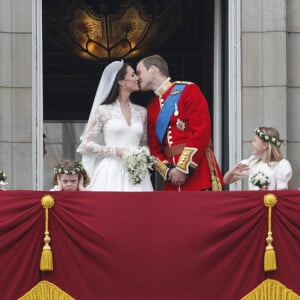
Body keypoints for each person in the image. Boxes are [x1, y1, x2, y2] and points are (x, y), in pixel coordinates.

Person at [136, 54, 223, 191]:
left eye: (139, 72)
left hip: (198, 174)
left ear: (153, 69)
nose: (137, 77)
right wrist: (168, 171)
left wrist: (183, 168)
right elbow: (154, 148)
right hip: (172, 180)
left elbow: (201, 131)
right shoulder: (152, 107)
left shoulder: (188, 90)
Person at [76, 60, 154, 191]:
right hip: (111, 171)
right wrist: (116, 151)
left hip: (137, 173)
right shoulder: (103, 110)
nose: (137, 78)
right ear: (121, 81)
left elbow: (144, 143)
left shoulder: (142, 112)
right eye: (133, 75)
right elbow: (86, 145)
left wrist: (142, 157)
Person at [223, 127, 293, 190]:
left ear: (265, 145)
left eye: (255, 140)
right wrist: (231, 172)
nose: (252, 143)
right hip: (253, 203)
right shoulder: (252, 163)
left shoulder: (281, 165)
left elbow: (282, 192)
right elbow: (226, 181)